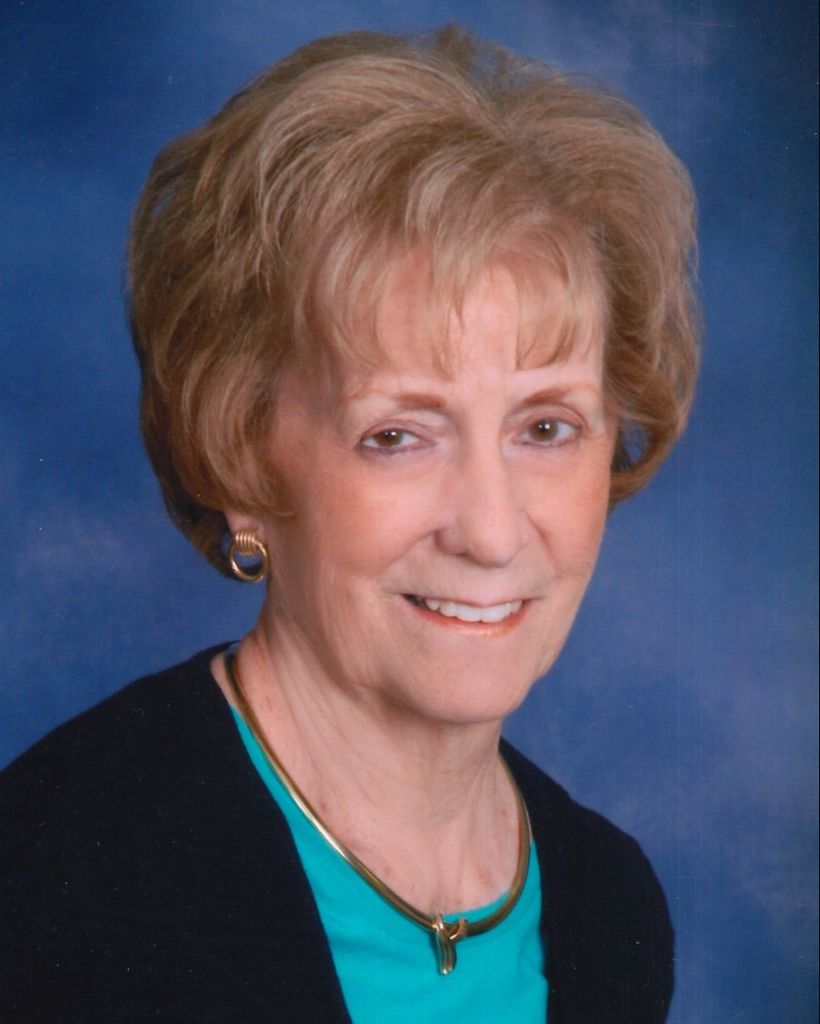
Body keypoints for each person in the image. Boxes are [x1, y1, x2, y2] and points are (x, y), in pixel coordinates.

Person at [0, 25, 698, 1024]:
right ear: (240, 458)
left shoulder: (606, 901)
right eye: (397, 435)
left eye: (545, 427)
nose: (492, 531)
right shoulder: (53, 881)